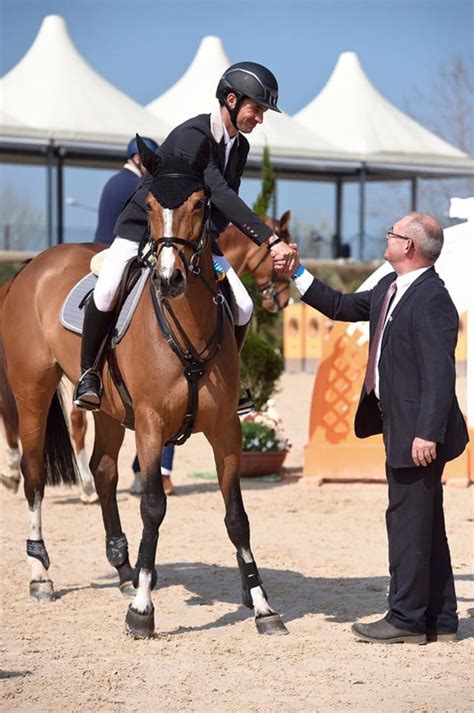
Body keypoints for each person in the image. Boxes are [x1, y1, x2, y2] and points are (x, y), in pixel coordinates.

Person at [279, 213, 469, 645]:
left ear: (410, 248)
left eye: (394, 233)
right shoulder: (389, 287)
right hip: (398, 423)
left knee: (406, 522)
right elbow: (342, 306)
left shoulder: (433, 298)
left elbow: (441, 374)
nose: (387, 236)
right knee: (424, 522)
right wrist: (298, 274)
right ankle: (440, 619)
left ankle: (404, 620)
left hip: (419, 433)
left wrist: (427, 433)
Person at [73, 61, 296, 415]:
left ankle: (229, 380)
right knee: (107, 287)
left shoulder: (239, 148)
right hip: (146, 227)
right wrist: (269, 239)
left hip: (193, 237)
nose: (260, 119)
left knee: (244, 304)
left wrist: (210, 243)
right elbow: (220, 193)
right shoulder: (195, 137)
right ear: (233, 100)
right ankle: (89, 375)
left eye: (264, 112)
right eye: (257, 109)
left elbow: (219, 207)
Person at [93, 135, 175, 496]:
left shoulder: (116, 180)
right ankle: (91, 370)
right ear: (142, 159)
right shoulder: (133, 184)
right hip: (121, 250)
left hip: (102, 251)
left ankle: (90, 367)